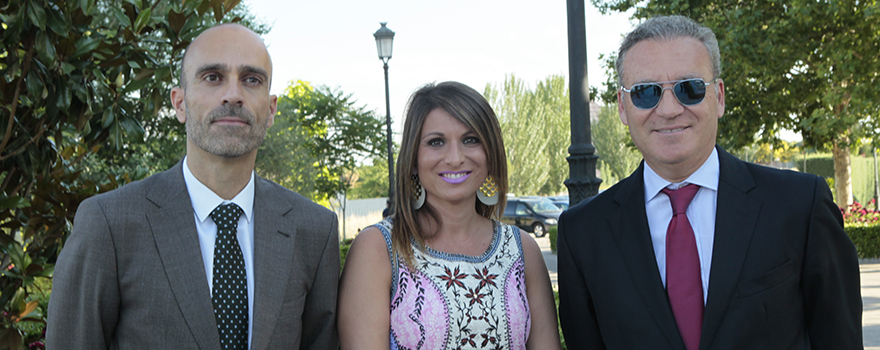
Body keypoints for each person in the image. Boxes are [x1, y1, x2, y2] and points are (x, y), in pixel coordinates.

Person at [557, 15, 862, 350]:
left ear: (719, 96)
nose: (669, 109)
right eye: (646, 93)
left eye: (689, 89)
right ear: (622, 106)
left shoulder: (800, 205)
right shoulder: (584, 232)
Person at [46, 23, 340, 349]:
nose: (233, 94)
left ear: (270, 110)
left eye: (251, 80)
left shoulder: (314, 229)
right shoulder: (109, 224)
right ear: (180, 103)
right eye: (213, 77)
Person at [338, 81, 561, 349]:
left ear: (490, 152)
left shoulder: (522, 249)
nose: (455, 158)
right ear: (413, 158)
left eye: (470, 140)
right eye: (436, 142)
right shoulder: (379, 249)